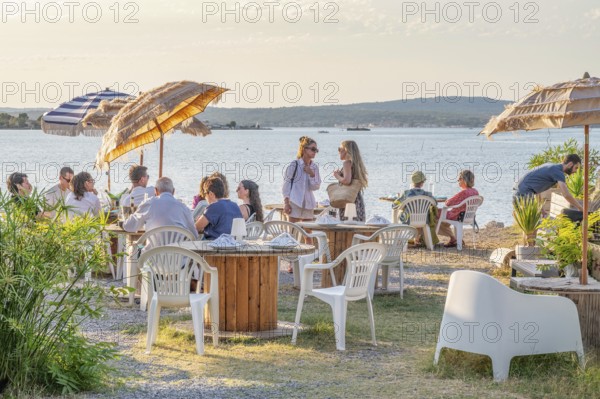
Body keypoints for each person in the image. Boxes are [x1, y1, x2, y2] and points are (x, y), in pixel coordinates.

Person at [123, 177, 198, 239]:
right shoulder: (184, 208)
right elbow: (194, 235)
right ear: (173, 191)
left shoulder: (148, 204)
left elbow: (129, 226)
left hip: (152, 256)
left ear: (155, 190)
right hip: (178, 256)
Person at [514, 154, 584, 213]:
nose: (575, 171)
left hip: (519, 190)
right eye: (576, 168)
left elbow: (536, 187)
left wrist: (540, 208)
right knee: (533, 224)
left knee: (533, 224)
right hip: (524, 192)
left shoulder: (552, 166)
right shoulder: (558, 172)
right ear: (570, 164)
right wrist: (580, 208)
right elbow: (566, 194)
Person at [282, 136, 321, 222]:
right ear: (304, 149)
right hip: (294, 204)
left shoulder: (314, 167)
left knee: (308, 234)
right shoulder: (294, 165)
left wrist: (311, 174)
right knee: (293, 233)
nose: (315, 152)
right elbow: (286, 186)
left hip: (309, 205)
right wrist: (286, 204)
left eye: (316, 150)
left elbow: (316, 187)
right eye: (313, 149)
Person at [394, 171, 438, 246]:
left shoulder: (406, 193)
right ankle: (418, 240)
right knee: (419, 212)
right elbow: (435, 203)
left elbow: (394, 205)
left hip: (408, 220)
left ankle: (399, 239)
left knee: (399, 213)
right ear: (422, 183)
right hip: (423, 220)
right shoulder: (427, 194)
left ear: (412, 182)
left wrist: (402, 203)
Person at [438, 170, 479, 247]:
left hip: (457, 216)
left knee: (433, 213)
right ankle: (455, 239)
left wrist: (446, 200)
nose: (458, 181)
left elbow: (448, 203)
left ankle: (453, 239)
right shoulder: (475, 192)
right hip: (468, 217)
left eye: (459, 179)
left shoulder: (463, 193)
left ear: (464, 180)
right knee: (442, 219)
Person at [334, 140, 368, 221]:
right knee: (357, 226)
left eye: (339, 149)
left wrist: (337, 176)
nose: (338, 151)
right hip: (357, 200)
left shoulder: (347, 163)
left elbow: (347, 181)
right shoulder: (356, 165)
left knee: (347, 228)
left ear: (346, 150)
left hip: (348, 201)